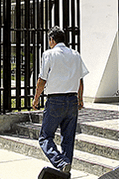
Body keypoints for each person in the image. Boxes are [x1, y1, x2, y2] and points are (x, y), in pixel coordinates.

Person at [32, 26, 89, 174]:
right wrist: (80, 99)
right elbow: (80, 80)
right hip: (72, 100)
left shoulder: (49, 54)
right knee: (68, 138)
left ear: (52, 40)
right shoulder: (76, 54)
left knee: (45, 137)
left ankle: (61, 162)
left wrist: (36, 98)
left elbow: (42, 80)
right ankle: (66, 171)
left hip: (55, 100)